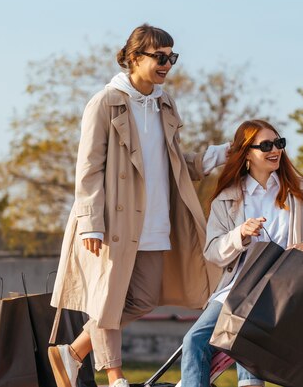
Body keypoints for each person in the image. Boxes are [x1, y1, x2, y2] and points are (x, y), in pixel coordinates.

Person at [48, 24, 227, 387]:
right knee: (108, 299)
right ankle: (115, 378)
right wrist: (90, 223)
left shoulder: (164, 102)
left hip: (156, 219)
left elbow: (175, 159)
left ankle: (73, 352)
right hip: (113, 222)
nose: (167, 64)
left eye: (171, 57)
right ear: (134, 58)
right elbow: (88, 169)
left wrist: (219, 155)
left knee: (143, 299)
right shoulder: (105, 102)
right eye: (160, 57)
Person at [181, 119, 303, 387]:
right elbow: (213, 252)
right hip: (238, 288)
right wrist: (239, 234)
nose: (275, 150)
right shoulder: (226, 199)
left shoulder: (301, 191)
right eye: (265, 145)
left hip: (285, 290)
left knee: (247, 332)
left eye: (279, 143)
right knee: (193, 341)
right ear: (246, 153)